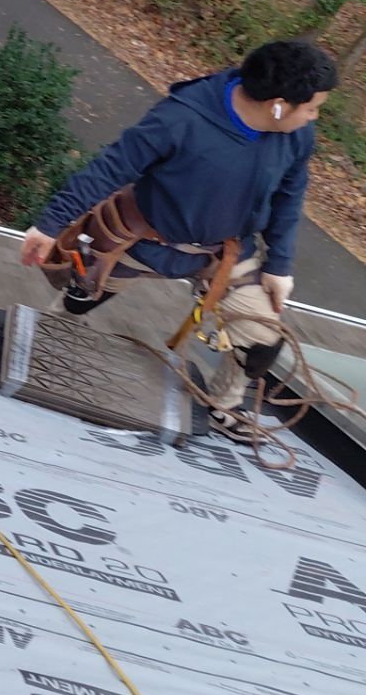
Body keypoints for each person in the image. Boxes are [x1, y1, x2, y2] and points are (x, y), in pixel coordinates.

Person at [18, 39, 338, 440]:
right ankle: (34, 351)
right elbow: (111, 167)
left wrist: (280, 266)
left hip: (224, 252)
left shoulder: (296, 136)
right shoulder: (182, 118)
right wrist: (49, 225)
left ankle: (225, 404)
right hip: (144, 241)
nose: (314, 116)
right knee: (74, 304)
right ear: (277, 104)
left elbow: (290, 196)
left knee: (262, 338)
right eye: (311, 107)